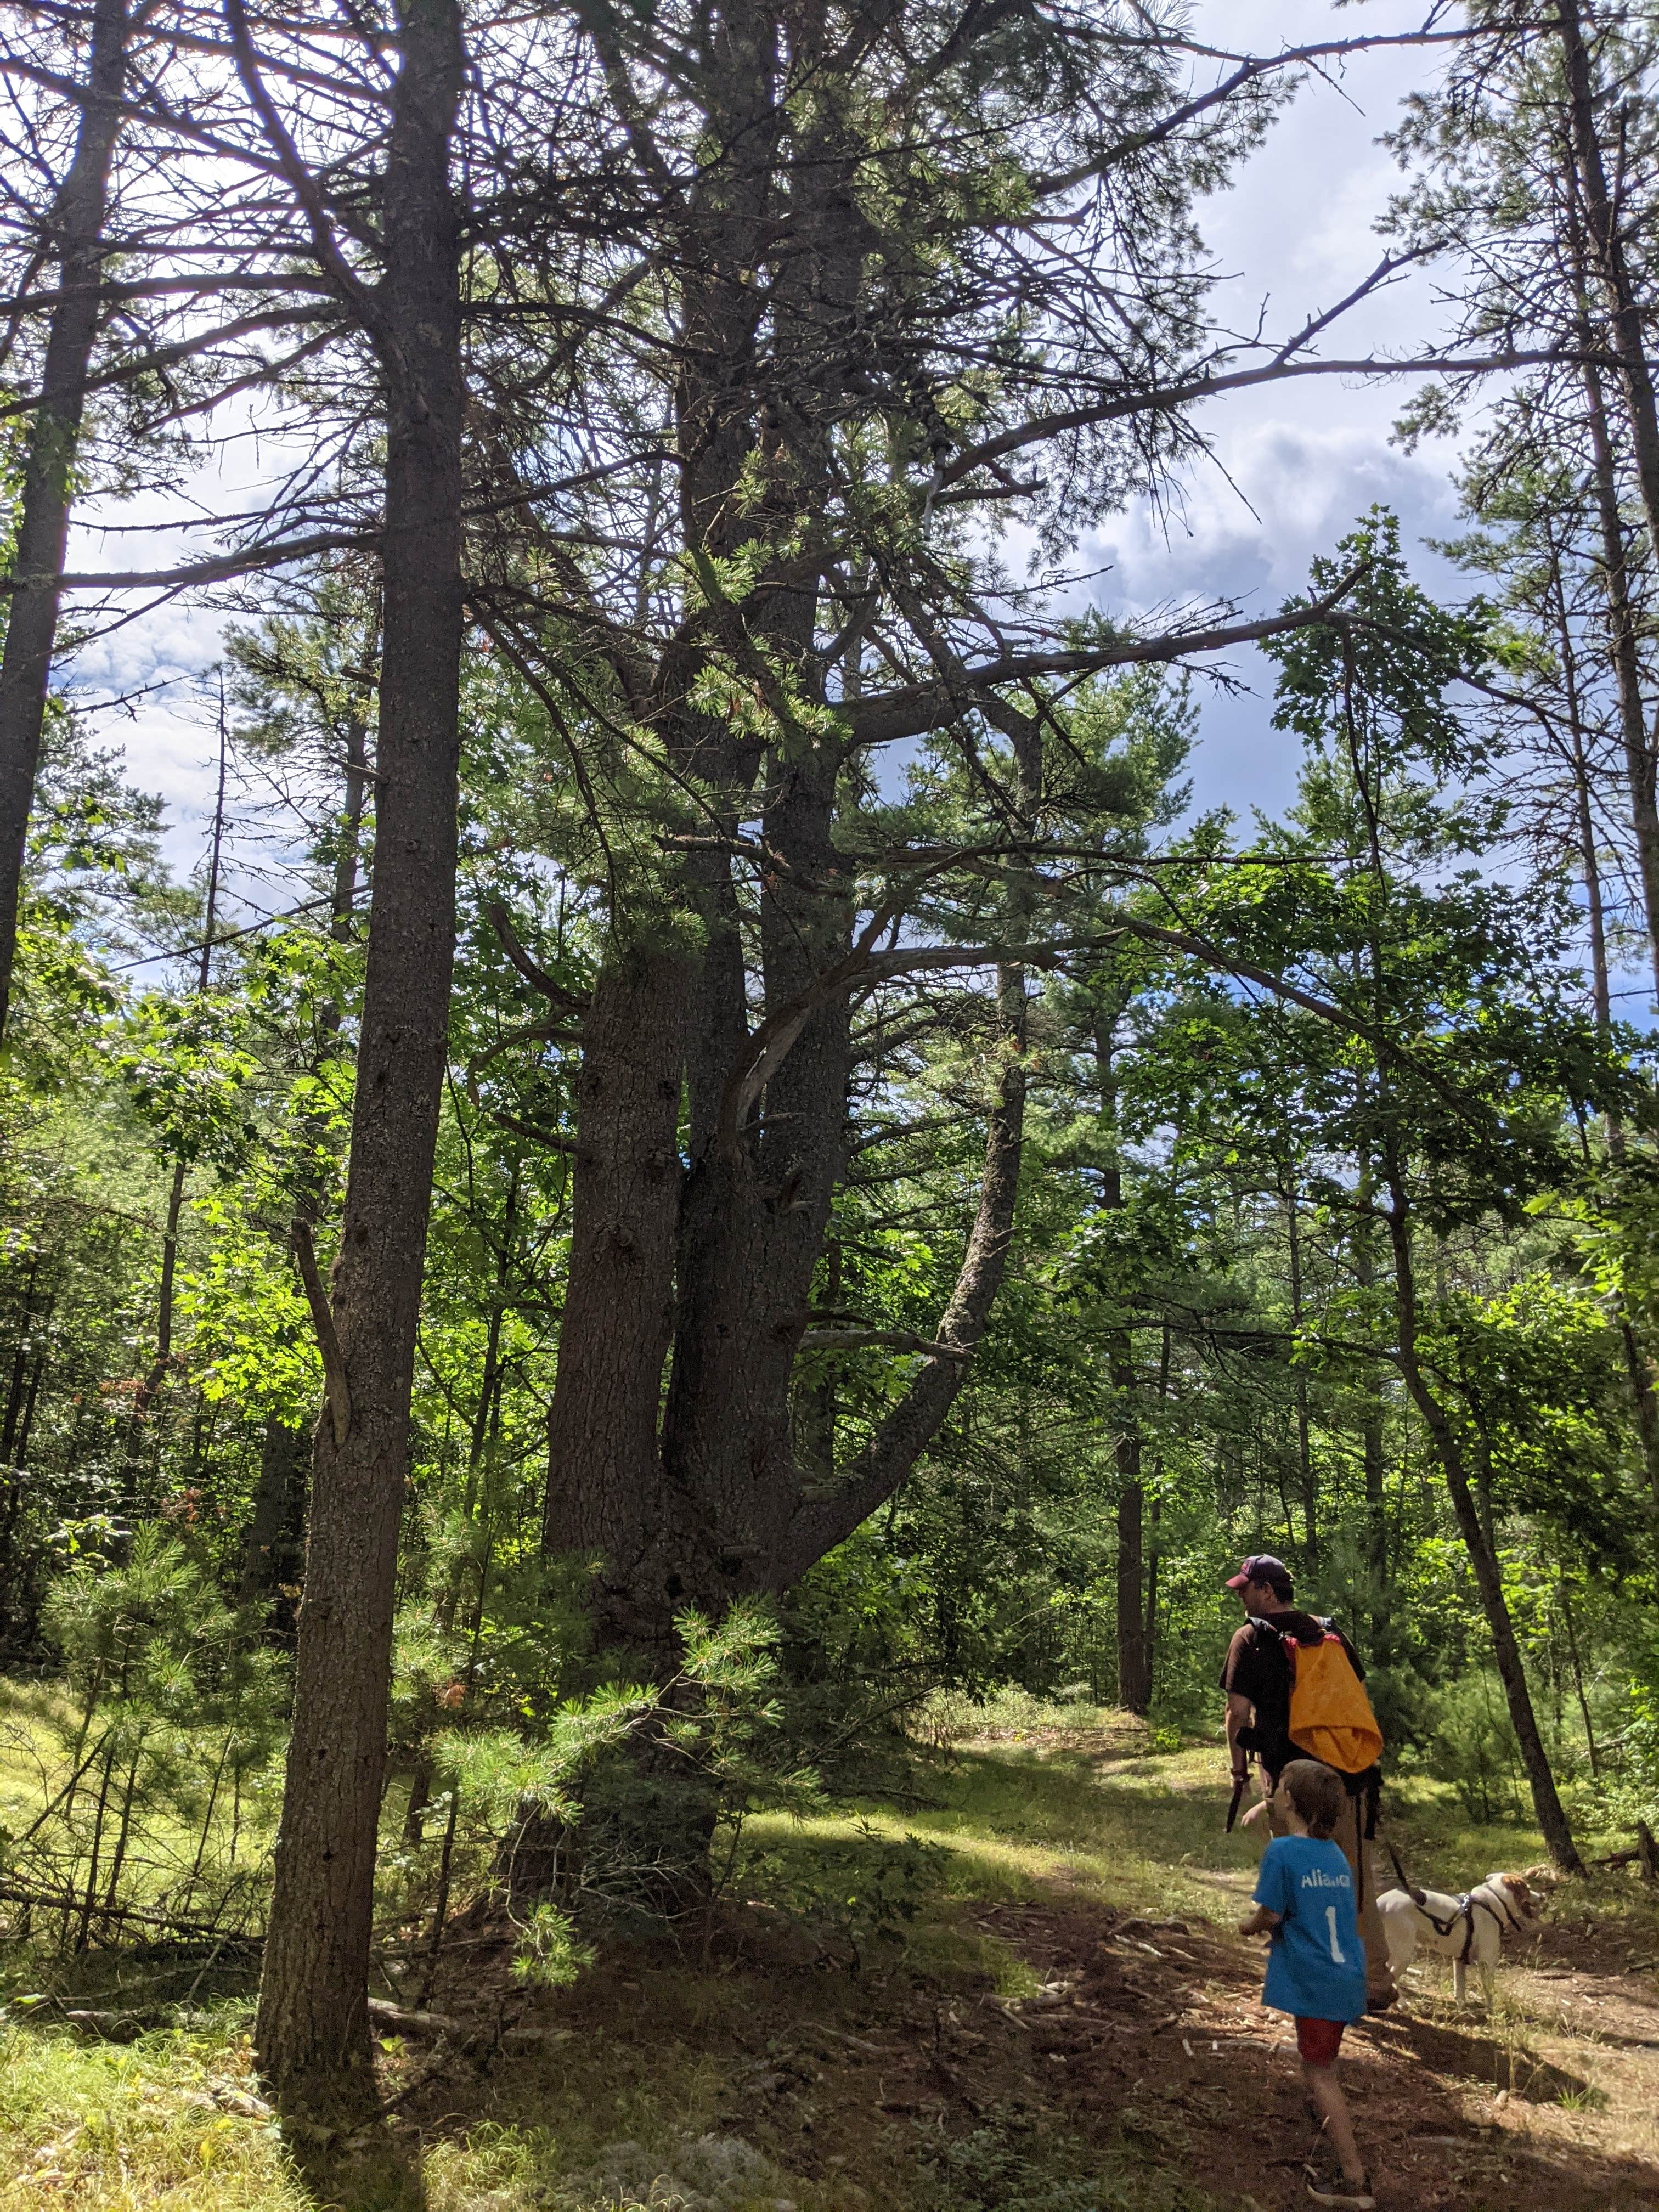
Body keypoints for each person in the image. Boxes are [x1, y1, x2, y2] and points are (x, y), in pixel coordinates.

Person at [1219, 1555, 1395, 2010]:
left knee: (1298, 1878)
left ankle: (1306, 1974)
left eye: (1245, 1588)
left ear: (1267, 1591)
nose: (1240, 1596)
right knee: (1355, 1882)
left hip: (1292, 1781)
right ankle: (1375, 1981)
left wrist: (1238, 1769)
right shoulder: (1330, 1633)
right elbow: (1353, 1697)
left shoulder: (1251, 1639)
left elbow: (1238, 1714)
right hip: (1350, 1776)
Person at [1238, 1759, 1375, 2209]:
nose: (1272, 1791)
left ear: (1290, 1801)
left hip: (1317, 1983)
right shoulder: (1334, 1853)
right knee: (1318, 2061)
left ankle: (1355, 2181)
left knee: (1321, 2072)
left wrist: (1248, 1926)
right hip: (1344, 1977)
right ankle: (1322, 2123)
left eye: (1277, 1786)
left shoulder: (1282, 1853)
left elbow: (1272, 1914)